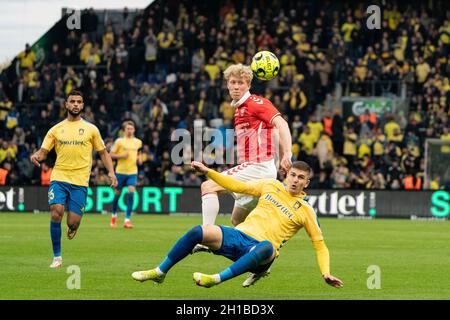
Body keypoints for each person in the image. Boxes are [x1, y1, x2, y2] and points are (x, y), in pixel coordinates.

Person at [131, 161, 343, 289]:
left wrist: (325, 272)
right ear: (286, 175)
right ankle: (160, 272)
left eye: (301, 178)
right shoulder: (270, 185)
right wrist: (209, 172)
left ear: (307, 182)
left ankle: (215, 279)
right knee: (198, 231)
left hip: (261, 253)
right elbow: (238, 185)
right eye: (293, 175)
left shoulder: (306, 210)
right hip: (239, 237)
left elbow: (319, 245)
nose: (295, 180)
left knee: (268, 246)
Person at [30, 90, 117, 268]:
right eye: (72, 101)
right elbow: (44, 152)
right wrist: (36, 156)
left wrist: (111, 172)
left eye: (79, 101)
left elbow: (103, 152)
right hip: (59, 177)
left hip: (80, 182)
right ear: (66, 104)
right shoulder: (55, 130)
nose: (76, 104)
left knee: (72, 222)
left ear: (82, 105)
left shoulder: (91, 129)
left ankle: (73, 228)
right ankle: (57, 257)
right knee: (56, 212)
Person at [200, 63, 293, 227]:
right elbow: (274, 132)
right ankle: (261, 249)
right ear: (227, 84)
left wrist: (287, 154)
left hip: (257, 167)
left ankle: (207, 233)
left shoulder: (255, 103)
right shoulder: (239, 108)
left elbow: (281, 124)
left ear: (248, 85)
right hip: (261, 168)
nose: (236, 86)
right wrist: (278, 162)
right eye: (233, 82)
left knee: (208, 186)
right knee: (237, 221)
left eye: (241, 83)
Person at [109, 120, 142, 228]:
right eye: (127, 128)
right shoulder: (119, 141)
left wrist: (139, 158)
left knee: (131, 191)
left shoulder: (138, 142)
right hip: (120, 172)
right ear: (124, 130)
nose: (129, 130)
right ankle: (114, 216)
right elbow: (111, 154)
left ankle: (127, 220)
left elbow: (139, 153)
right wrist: (121, 156)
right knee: (117, 194)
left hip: (132, 172)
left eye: (131, 129)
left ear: (134, 130)